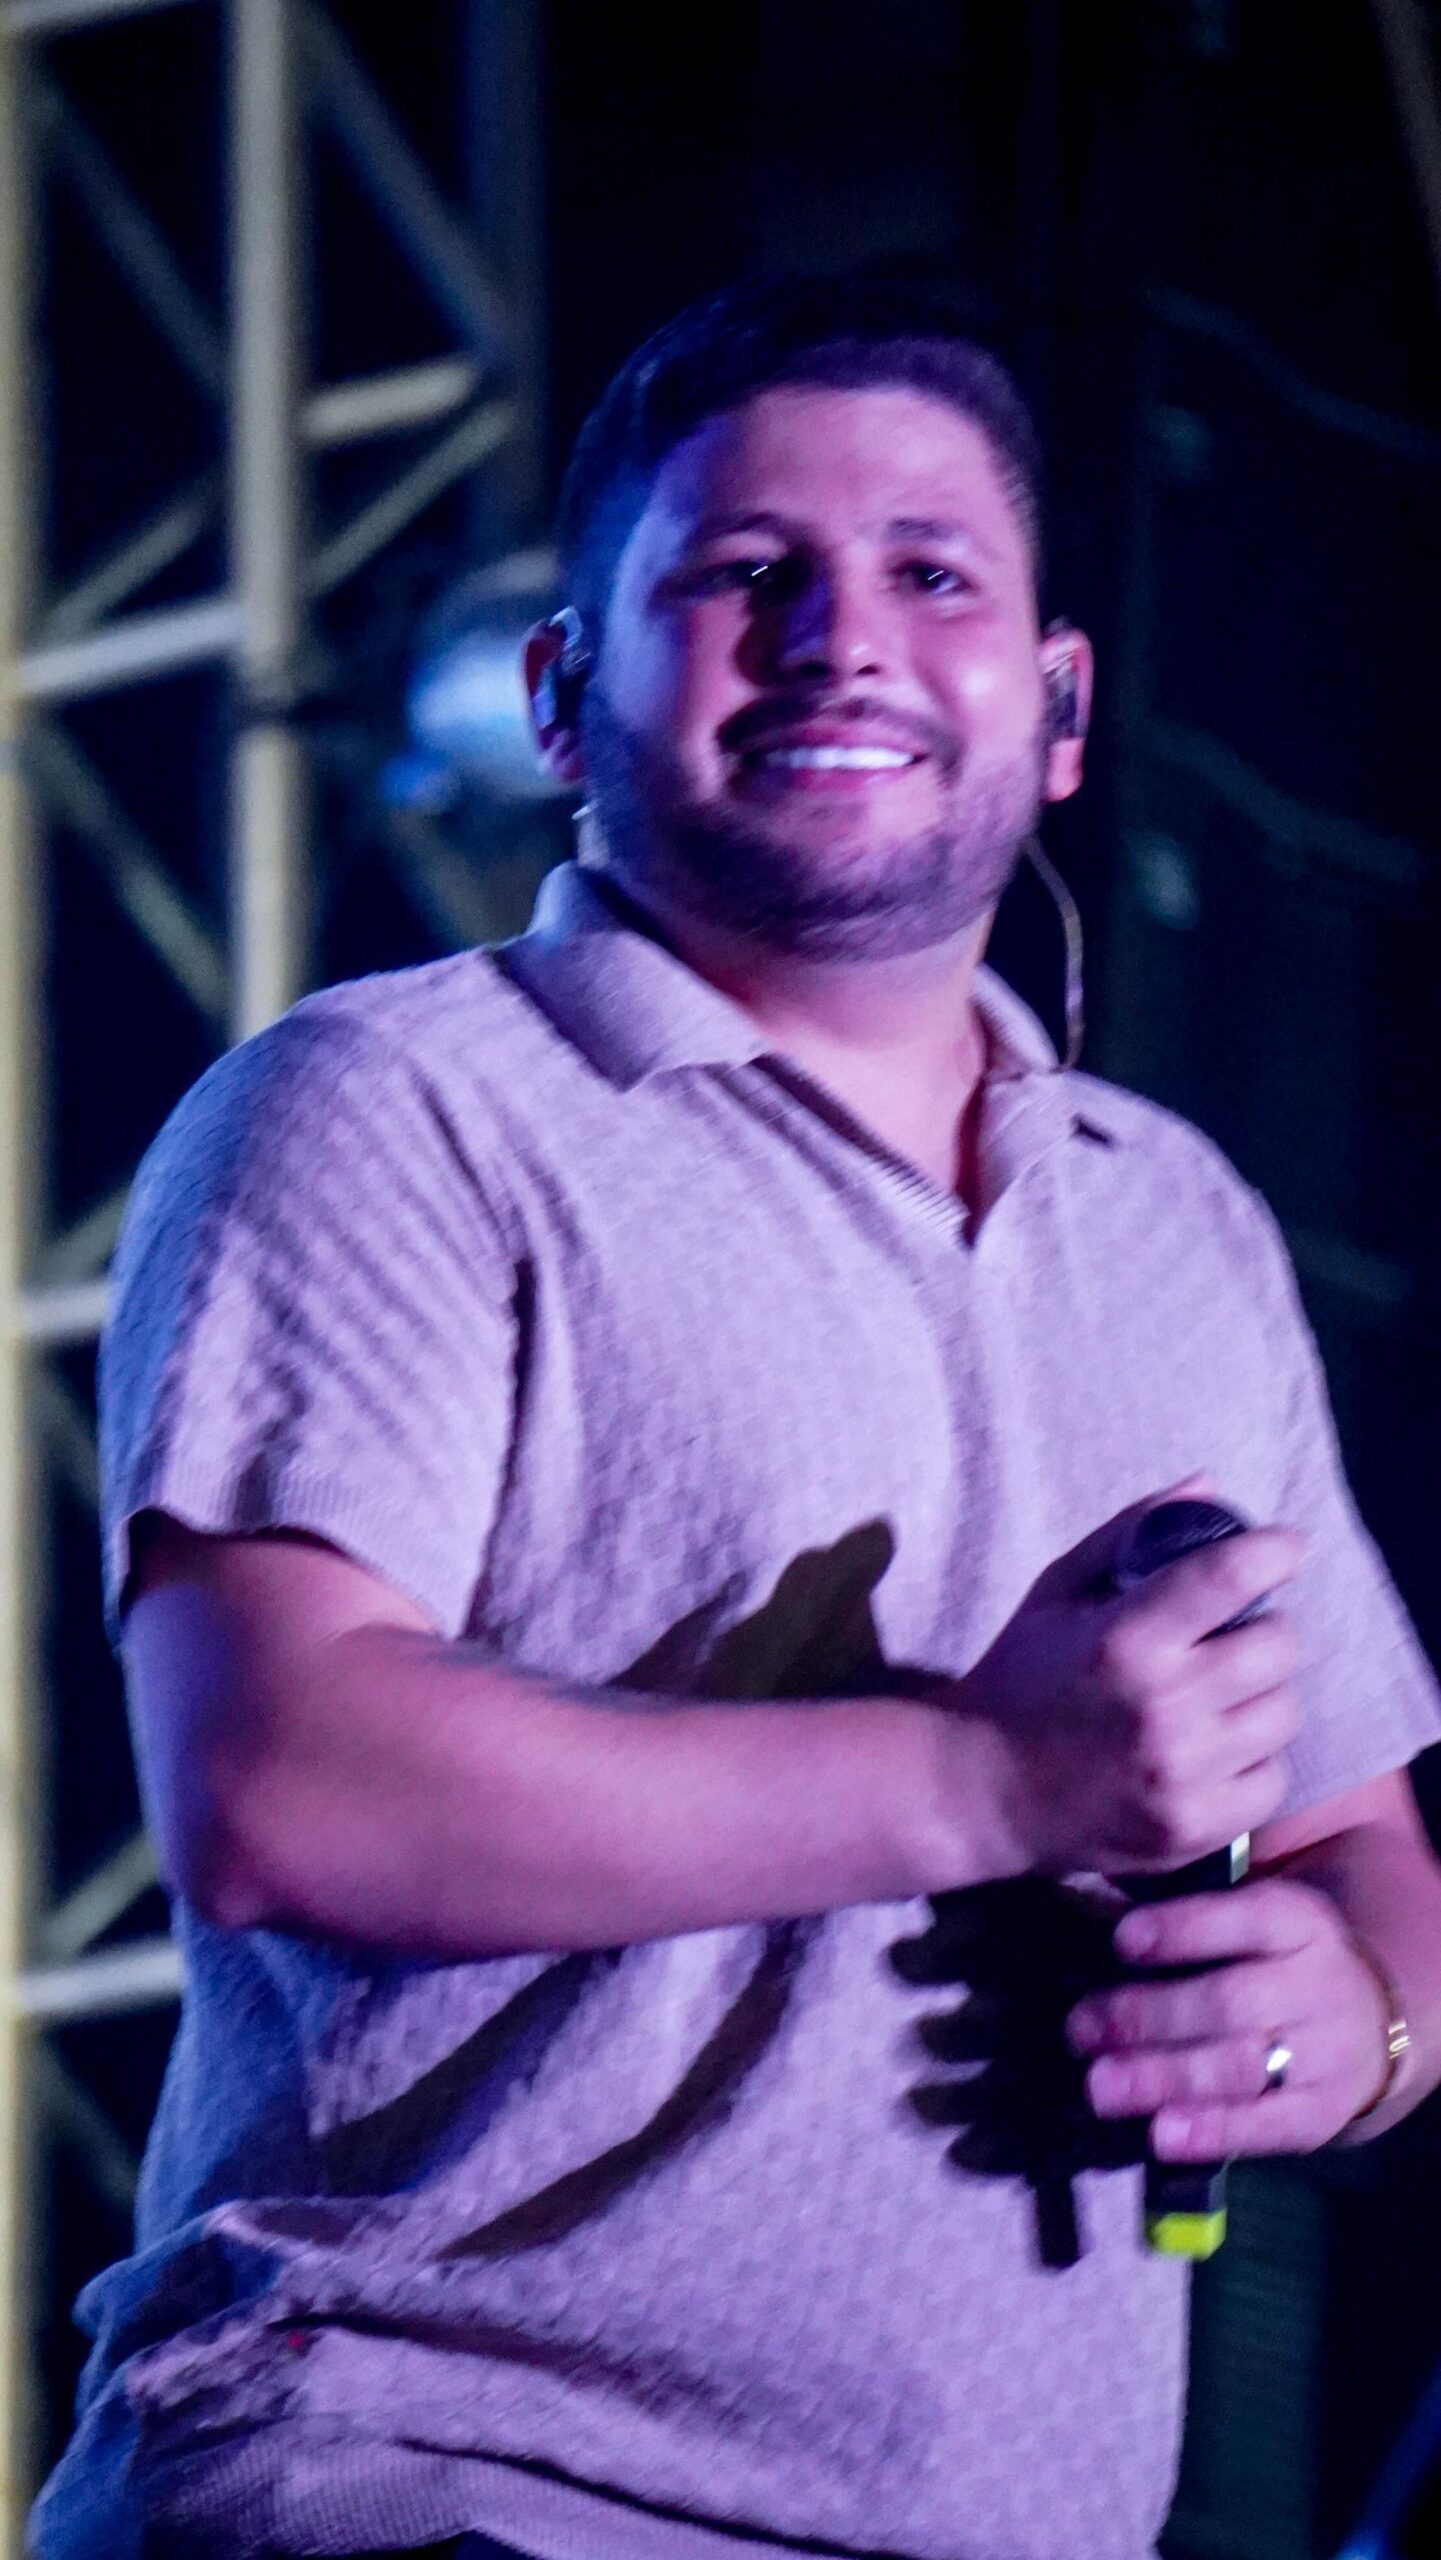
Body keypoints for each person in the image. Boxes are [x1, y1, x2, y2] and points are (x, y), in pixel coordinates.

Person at [32, 273, 1441, 2560]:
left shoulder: (1175, 1215)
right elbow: (286, 1783)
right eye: (741, 571)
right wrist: (990, 1778)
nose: (840, 635)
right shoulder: (395, 1106)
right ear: (560, 696)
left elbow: (1360, 1846)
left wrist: (1346, 2019)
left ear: (1058, 709)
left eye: (930, 574)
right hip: (440, 2487)